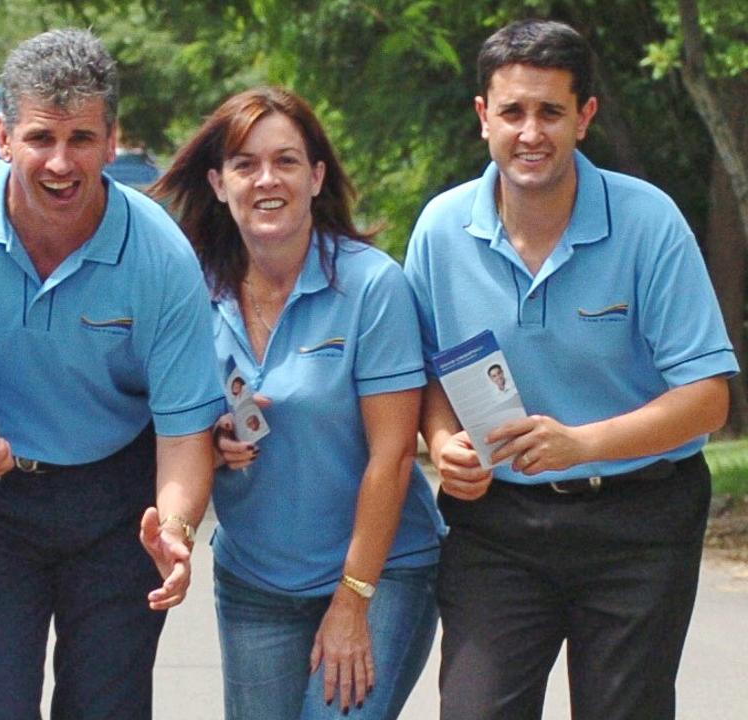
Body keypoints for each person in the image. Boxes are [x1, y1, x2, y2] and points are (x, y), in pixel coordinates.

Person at [0, 29, 221, 720]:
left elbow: (185, 429)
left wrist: (176, 529)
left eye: (82, 139)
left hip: (118, 505)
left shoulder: (159, 256)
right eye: (40, 138)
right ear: (2, 138)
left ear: (111, 142)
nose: (60, 163)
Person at [404, 19, 738, 720]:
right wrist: (440, 442)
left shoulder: (649, 221)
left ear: (584, 118)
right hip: (495, 526)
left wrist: (582, 443)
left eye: (551, 111)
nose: (531, 133)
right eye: (513, 112)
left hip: (640, 520)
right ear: (483, 118)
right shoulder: (440, 230)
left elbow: (708, 400)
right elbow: (424, 375)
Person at [151, 87, 444, 719]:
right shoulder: (187, 293)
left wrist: (352, 600)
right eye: (245, 164)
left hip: (378, 574)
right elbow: (174, 426)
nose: (266, 180)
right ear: (218, 182)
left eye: (286, 161)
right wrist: (213, 439)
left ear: (315, 177)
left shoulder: (372, 286)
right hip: (255, 582)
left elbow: (393, 457)